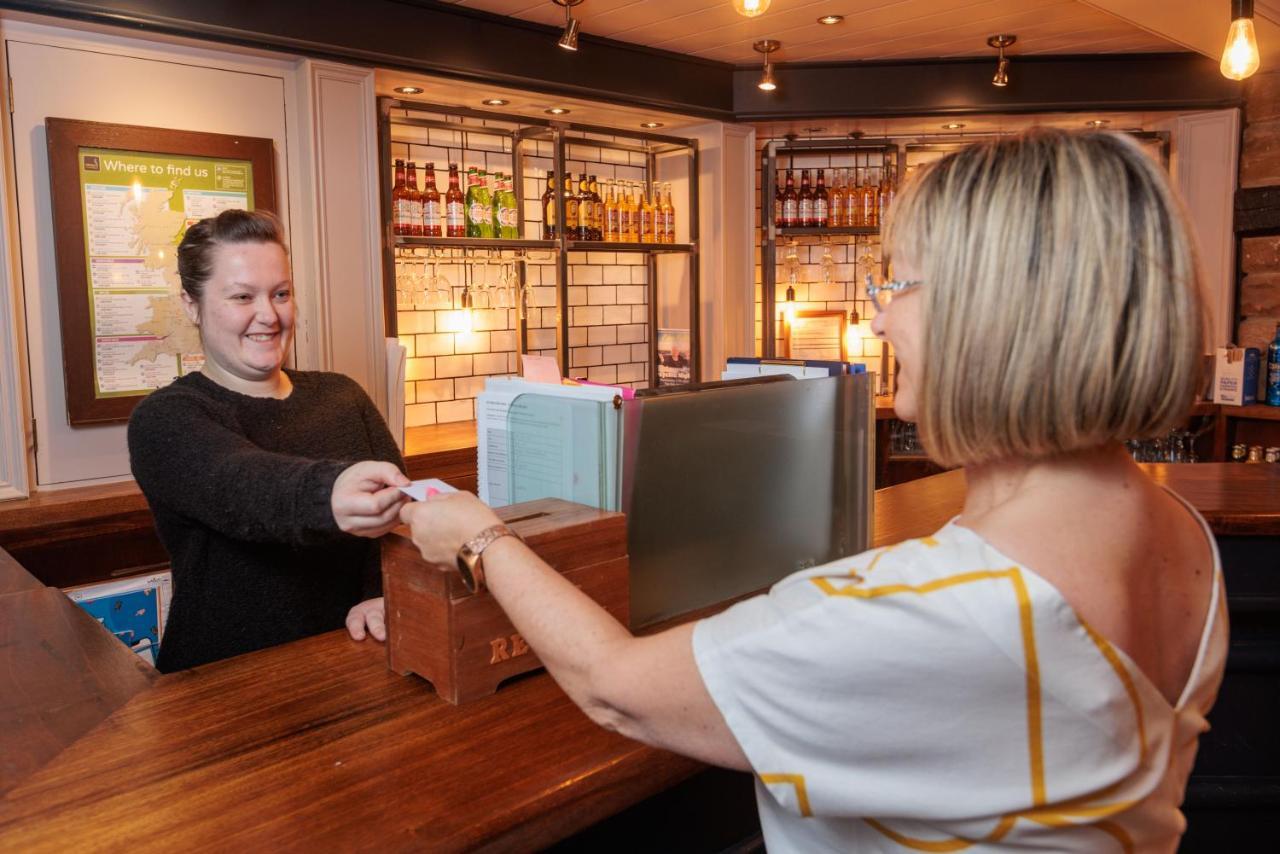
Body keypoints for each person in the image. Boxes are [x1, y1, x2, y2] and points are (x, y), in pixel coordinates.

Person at [400, 129, 1226, 852]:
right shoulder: (1180, 534)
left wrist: (480, 538)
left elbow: (617, 689)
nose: (879, 321)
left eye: (898, 286)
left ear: (990, 315)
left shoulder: (944, 609)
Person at [128, 210, 409, 673]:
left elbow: (394, 526)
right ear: (191, 304)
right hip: (224, 682)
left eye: (281, 294)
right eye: (243, 296)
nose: (269, 315)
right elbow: (241, 483)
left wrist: (382, 593)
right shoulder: (165, 419)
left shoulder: (341, 395)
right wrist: (330, 492)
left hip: (354, 662)